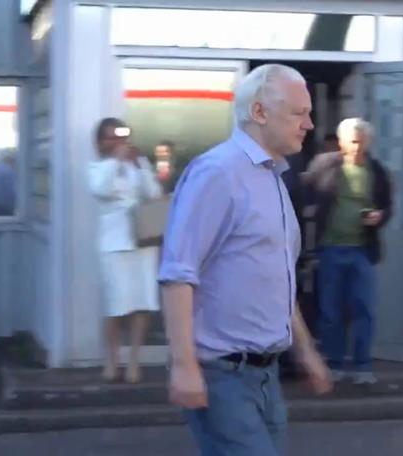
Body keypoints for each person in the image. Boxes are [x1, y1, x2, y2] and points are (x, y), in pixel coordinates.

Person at [158, 63, 332, 456]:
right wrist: (185, 366)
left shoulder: (273, 177)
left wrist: (304, 351)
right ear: (258, 112)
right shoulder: (218, 173)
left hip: (265, 375)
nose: (308, 124)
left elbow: (277, 278)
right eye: (298, 113)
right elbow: (177, 274)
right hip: (223, 375)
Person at [303, 117, 393, 385]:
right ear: (341, 142)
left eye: (362, 141)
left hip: (362, 250)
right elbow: (303, 192)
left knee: (363, 309)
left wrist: (380, 216)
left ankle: (362, 366)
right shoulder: (324, 165)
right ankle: (334, 363)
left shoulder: (377, 171)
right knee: (331, 310)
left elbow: (388, 205)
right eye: (353, 141)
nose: (357, 146)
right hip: (331, 248)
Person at [87, 118, 163, 383]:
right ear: (100, 142)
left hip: (141, 242)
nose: (117, 142)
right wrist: (117, 161)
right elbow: (101, 189)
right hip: (114, 243)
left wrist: (140, 165)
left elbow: (153, 194)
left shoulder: (137, 164)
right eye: (110, 137)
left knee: (141, 301)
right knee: (116, 304)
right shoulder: (97, 167)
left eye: (121, 137)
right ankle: (111, 361)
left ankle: (134, 363)